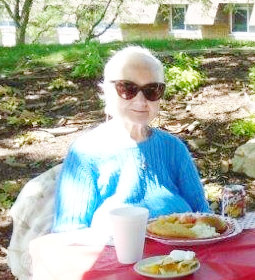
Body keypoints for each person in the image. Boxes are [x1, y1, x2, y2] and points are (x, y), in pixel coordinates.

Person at [52, 46, 210, 233]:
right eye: (127, 88)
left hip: (182, 258)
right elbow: (69, 232)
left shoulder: (174, 148)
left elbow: (204, 216)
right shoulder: (86, 151)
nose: (141, 101)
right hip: (115, 258)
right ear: (106, 91)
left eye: (152, 90)